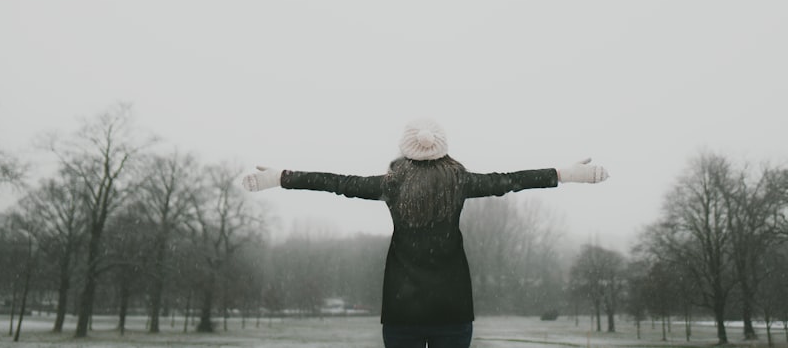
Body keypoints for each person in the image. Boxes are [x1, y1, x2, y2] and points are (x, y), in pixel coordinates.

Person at [241, 117, 608, 348]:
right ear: (443, 149)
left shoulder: (393, 183)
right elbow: (509, 182)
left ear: (406, 150)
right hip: (454, 309)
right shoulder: (459, 180)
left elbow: (336, 183)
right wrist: (565, 173)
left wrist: (281, 178)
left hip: (403, 312)